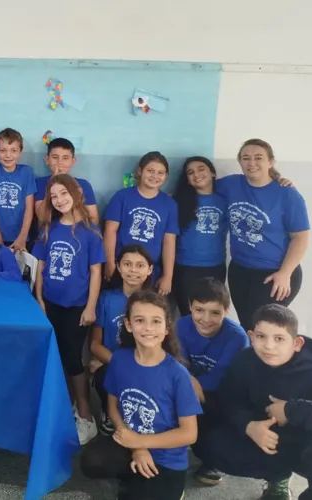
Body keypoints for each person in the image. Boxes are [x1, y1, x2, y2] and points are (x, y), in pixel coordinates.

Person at [194, 305, 312, 499]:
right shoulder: (244, 361)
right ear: (251, 337)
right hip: (265, 436)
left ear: (296, 343)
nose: (269, 346)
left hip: (306, 441)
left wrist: (291, 411)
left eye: (279, 338)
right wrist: (249, 425)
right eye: (261, 336)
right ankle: (278, 477)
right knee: (209, 441)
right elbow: (228, 401)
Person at [79, 291, 201, 500]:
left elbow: (189, 434)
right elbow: (113, 407)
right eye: (139, 320)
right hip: (131, 441)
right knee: (92, 461)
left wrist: (140, 442)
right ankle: (132, 475)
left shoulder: (177, 374)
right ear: (128, 325)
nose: (148, 328)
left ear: (167, 327)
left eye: (156, 321)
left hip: (166, 456)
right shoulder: (119, 359)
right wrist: (136, 446)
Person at [31, 174, 105, 444]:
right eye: (54, 196)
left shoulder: (91, 232)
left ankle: (85, 413)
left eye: (64, 193)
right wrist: (39, 298)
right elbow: (40, 266)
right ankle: (66, 404)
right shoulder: (48, 229)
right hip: (51, 304)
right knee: (56, 356)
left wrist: (91, 306)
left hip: (77, 307)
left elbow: (95, 272)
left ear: (76, 194)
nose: (59, 200)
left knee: (74, 358)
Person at [216, 139, 310, 330]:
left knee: (262, 329)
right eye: (246, 158)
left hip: (275, 274)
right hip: (240, 270)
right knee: (247, 327)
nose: (252, 163)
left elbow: (300, 238)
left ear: (270, 162)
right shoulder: (232, 184)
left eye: (258, 158)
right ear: (240, 161)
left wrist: (284, 274)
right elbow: (203, 186)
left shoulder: (287, 195)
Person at [175, 277, 250, 485]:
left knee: (216, 419)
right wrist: (189, 382)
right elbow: (177, 364)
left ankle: (212, 459)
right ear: (190, 306)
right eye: (199, 310)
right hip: (189, 386)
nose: (206, 319)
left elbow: (221, 377)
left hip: (221, 393)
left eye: (215, 313)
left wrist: (191, 385)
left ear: (226, 311)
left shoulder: (237, 337)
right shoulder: (181, 326)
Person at [89, 244, 155, 434]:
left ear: (150, 269)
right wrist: (117, 362)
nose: (133, 270)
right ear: (118, 266)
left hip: (145, 364)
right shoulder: (106, 298)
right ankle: (109, 413)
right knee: (103, 374)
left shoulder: (155, 302)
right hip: (113, 362)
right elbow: (95, 344)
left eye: (140, 265)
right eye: (127, 264)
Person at [103, 152, 179, 296]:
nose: (155, 176)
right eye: (150, 171)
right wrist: (110, 263)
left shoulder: (170, 204)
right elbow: (110, 231)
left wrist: (168, 276)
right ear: (140, 171)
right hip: (121, 267)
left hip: (149, 272)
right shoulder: (122, 197)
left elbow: (169, 242)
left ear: (166, 176)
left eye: (160, 173)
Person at [170, 156, 226, 316]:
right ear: (187, 180)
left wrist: (278, 178)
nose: (196, 174)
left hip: (216, 267)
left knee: (211, 317)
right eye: (190, 172)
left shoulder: (225, 200)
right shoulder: (178, 202)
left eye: (201, 169)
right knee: (189, 316)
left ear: (212, 173)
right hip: (185, 268)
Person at [0, 128, 35, 252]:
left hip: (20, 237)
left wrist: (22, 237)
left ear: (20, 152)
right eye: (3, 150)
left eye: (13, 150)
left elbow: (29, 208)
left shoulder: (26, 172)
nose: (8, 155)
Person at [34, 138, 99, 226]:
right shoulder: (39, 183)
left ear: (73, 161)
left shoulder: (83, 185)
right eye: (55, 157)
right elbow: (42, 217)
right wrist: (53, 182)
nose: (60, 162)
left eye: (65, 158)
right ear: (47, 160)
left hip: (76, 232)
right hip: (48, 233)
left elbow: (94, 220)